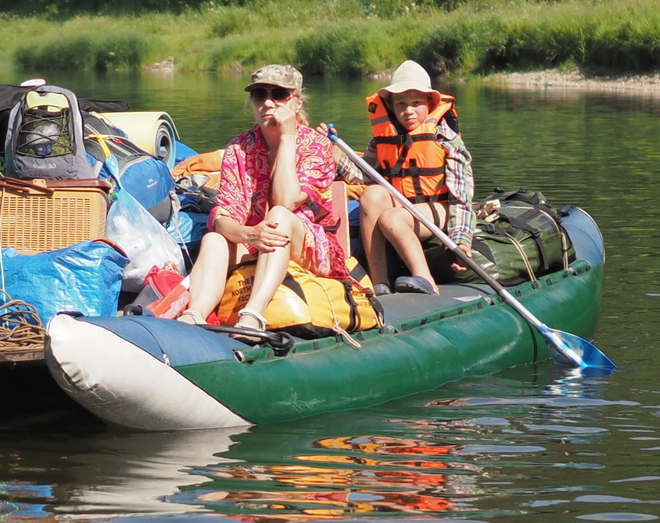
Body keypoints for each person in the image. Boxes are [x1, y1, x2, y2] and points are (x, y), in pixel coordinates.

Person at [173, 65, 349, 330]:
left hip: (311, 246)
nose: (268, 102)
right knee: (213, 238)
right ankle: (195, 314)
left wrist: (288, 136)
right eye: (259, 95)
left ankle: (253, 314)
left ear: (297, 101)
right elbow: (223, 217)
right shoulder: (238, 148)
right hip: (255, 241)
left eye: (278, 94)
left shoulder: (317, 146)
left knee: (279, 216)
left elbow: (285, 201)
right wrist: (249, 234)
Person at [354, 59, 472, 297]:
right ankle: (379, 282)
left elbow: (462, 197)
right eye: (401, 103)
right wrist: (332, 154)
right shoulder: (381, 139)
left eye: (416, 103)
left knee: (392, 217)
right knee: (372, 194)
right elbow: (362, 176)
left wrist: (461, 241)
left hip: (439, 206)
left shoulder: (446, 139)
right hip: (405, 203)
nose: (408, 111)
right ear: (391, 106)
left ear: (430, 103)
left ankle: (426, 279)